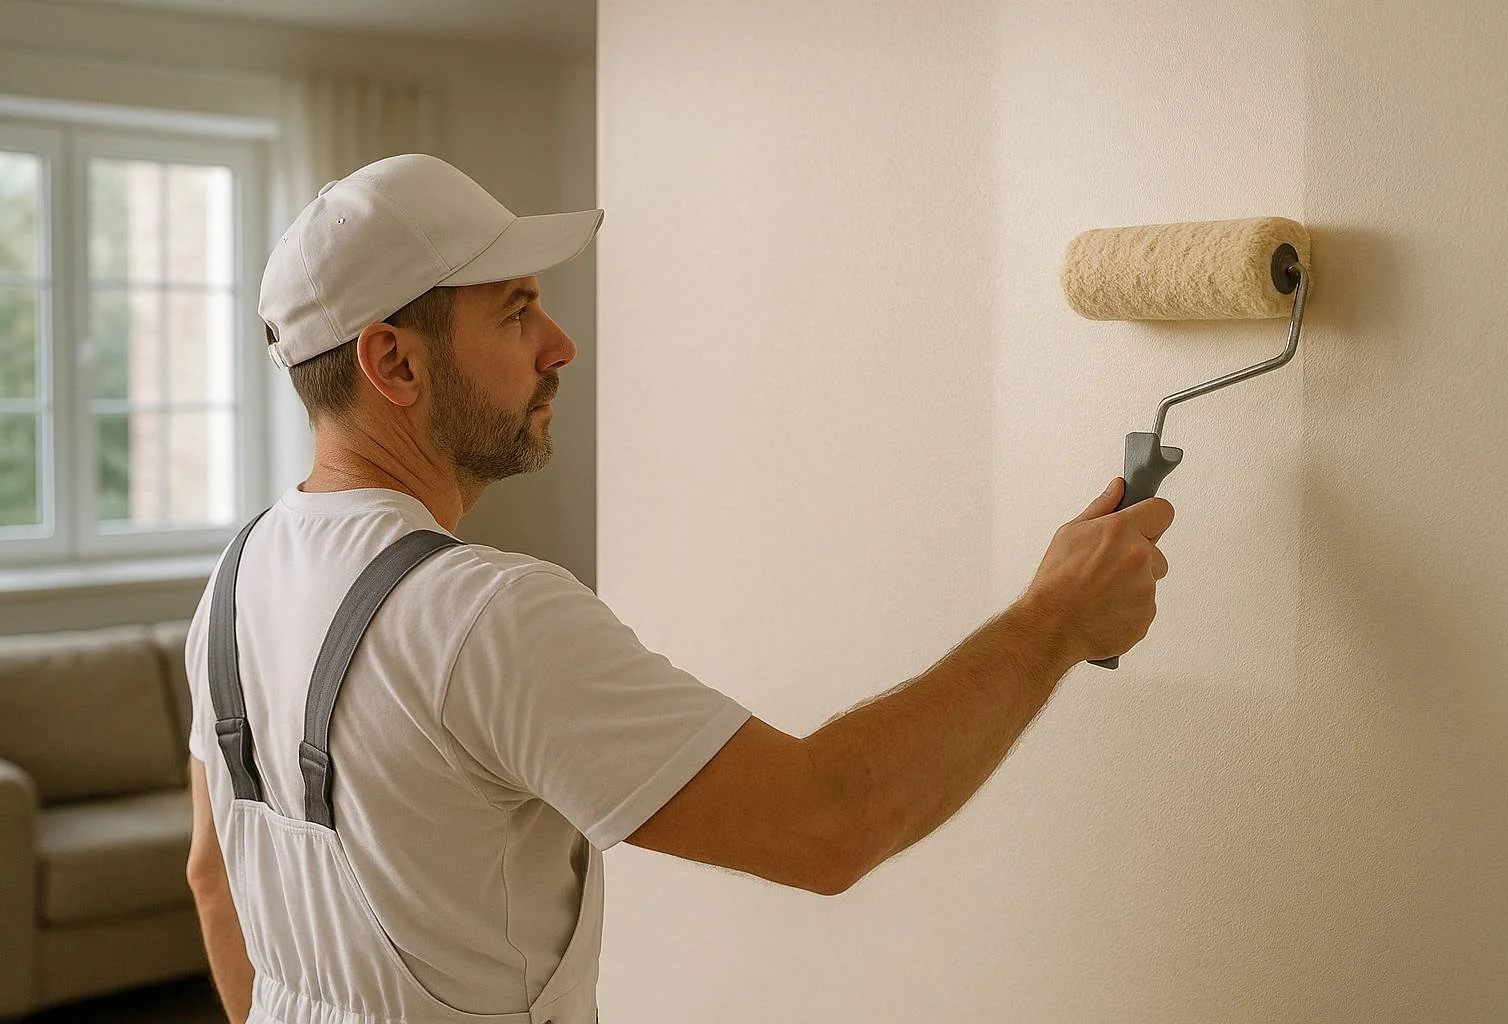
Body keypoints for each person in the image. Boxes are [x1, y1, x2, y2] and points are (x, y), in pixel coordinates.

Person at [184, 153, 1173, 1024]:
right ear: (393, 359)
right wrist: (1055, 619)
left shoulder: (233, 579)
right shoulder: (483, 616)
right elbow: (828, 823)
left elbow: (214, 881)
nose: (560, 345)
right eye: (517, 311)